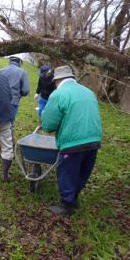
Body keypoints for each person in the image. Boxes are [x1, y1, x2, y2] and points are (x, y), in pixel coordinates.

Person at [41, 65, 102, 217]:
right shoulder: (88, 91)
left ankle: (67, 206)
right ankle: (74, 199)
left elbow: (48, 125)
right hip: (94, 139)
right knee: (82, 170)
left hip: (73, 141)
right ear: (72, 78)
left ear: (56, 81)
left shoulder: (59, 94)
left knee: (67, 172)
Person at [0, 53, 30, 126]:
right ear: (20, 62)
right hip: (13, 102)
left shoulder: (0, 71)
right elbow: (25, 91)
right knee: (8, 125)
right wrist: (18, 94)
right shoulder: (22, 72)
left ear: (10, 60)